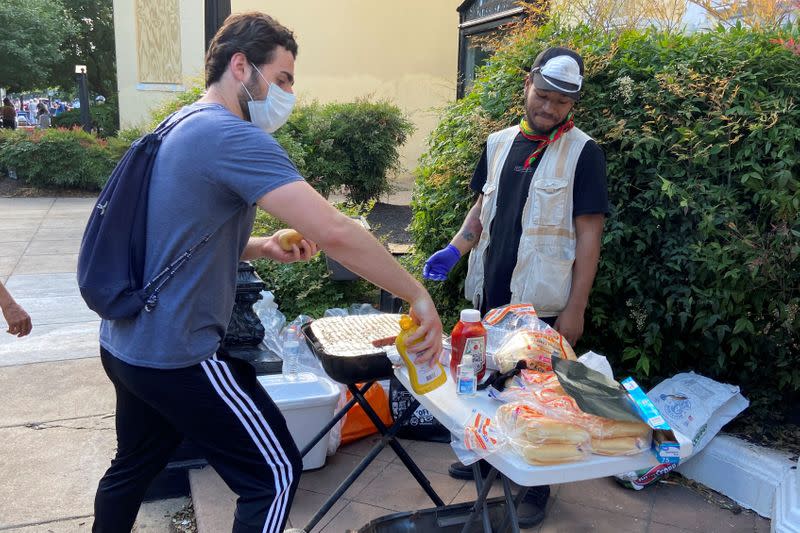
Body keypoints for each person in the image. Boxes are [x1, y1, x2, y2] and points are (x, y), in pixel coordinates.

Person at [91, 12, 443, 533]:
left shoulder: (180, 125)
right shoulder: (231, 137)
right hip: (177, 352)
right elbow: (337, 232)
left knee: (133, 466)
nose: (287, 94)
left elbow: (172, 239)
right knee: (275, 472)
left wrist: (261, 246)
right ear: (241, 66)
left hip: (125, 343)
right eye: (281, 79)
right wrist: (416, 294)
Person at [423, 46, 608, 527]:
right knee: (485, 383)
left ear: (573, 105)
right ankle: (487, 458)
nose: (549, 108)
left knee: (537, 394)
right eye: (543, 96)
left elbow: (590, 233)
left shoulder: (584, 153)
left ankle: (533, 486)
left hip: (542, 301)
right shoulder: (499, 143)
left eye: (561, 103)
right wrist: (456, 248)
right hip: (492, 295)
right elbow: (482, 210)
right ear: (527, 85)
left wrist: (576, 306)